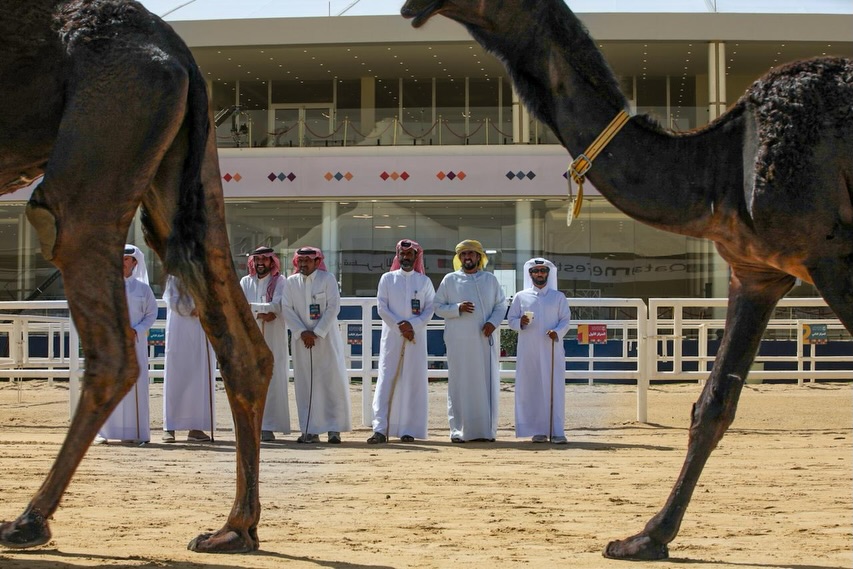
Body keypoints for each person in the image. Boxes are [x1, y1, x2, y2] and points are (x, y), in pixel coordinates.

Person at [434, 239, 506, 443]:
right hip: (459, 342)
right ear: (459, 258)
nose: (467, 258)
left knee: (485, 383)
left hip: (484, 341)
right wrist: (457, 308)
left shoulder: (490, 280)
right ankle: (459, 431)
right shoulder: (449, 280)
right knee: (459, 384)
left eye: (471, 254)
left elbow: (501, 305)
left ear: (478, 257)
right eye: (463, 254)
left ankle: (486, 431)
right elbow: (437, 307)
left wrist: (492, 322)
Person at [368, 239, 436, 444]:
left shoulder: (424, 282)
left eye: (409, 255)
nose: (406, 258)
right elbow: (382, 307)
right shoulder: (387, 279)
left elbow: (430, 309)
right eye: (402, 255)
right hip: (392, 336)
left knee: (413, 381)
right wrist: (401, 326)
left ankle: (410, 429)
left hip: (416, 338)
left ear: (416, 257)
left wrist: (412, 326)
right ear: (397, 256)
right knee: (386, 379)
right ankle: (380, 429)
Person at [281, 246, 351, 444]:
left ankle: (334, 429)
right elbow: (287, 308)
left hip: (326, 339)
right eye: (300, 261)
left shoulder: (327, 279)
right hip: (301, 340)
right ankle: (310, 429)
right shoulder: (291, 282)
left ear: (316, 261)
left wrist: (317, 332)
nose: (303, 264)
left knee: (330, 382)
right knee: (306, 384)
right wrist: (302, 332)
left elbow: (333, 307)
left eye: (307, 261)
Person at [95, 245, 157, 445]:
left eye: (126, 259)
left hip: (134, 343)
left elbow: (151, 314)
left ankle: (134, 432)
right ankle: (104, 432)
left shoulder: (143, 289)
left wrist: (136, 330)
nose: (121, 262)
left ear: (134, 263)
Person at [507, 258, 572, 444]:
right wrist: (520, 323)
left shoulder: (558, 297)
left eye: (543, 271)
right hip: (529, 352)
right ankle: (538, 430)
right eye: (536, 271)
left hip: (552, 349)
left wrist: (557, 332)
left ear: (548, 273)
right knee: (533, 388)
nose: (539, 274)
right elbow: (511, 320)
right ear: (530, 274)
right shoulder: (521, 296)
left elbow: (565, 320)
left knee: (554, 388)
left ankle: (557, 431)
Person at [239, 246, 291, 442]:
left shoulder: (280, 281)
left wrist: (255, 309)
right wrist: (261, 311)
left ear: (272, 261)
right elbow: (239, 305)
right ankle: (252, 424)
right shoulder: (245, 282)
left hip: (273, 338)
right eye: (257, 259)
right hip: (249, 339)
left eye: (265, 259)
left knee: (273, 379)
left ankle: (269, 425)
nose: (261, 262)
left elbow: (278, 305)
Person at [161, 275, 216, 443]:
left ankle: (196, 428)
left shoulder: (206, 273)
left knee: (199, 379)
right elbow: (172, 299)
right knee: (175, 378)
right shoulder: (174, 276)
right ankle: (169, 427)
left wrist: (206, 308)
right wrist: (193, 308)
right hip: (179, 331)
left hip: (202, 329)